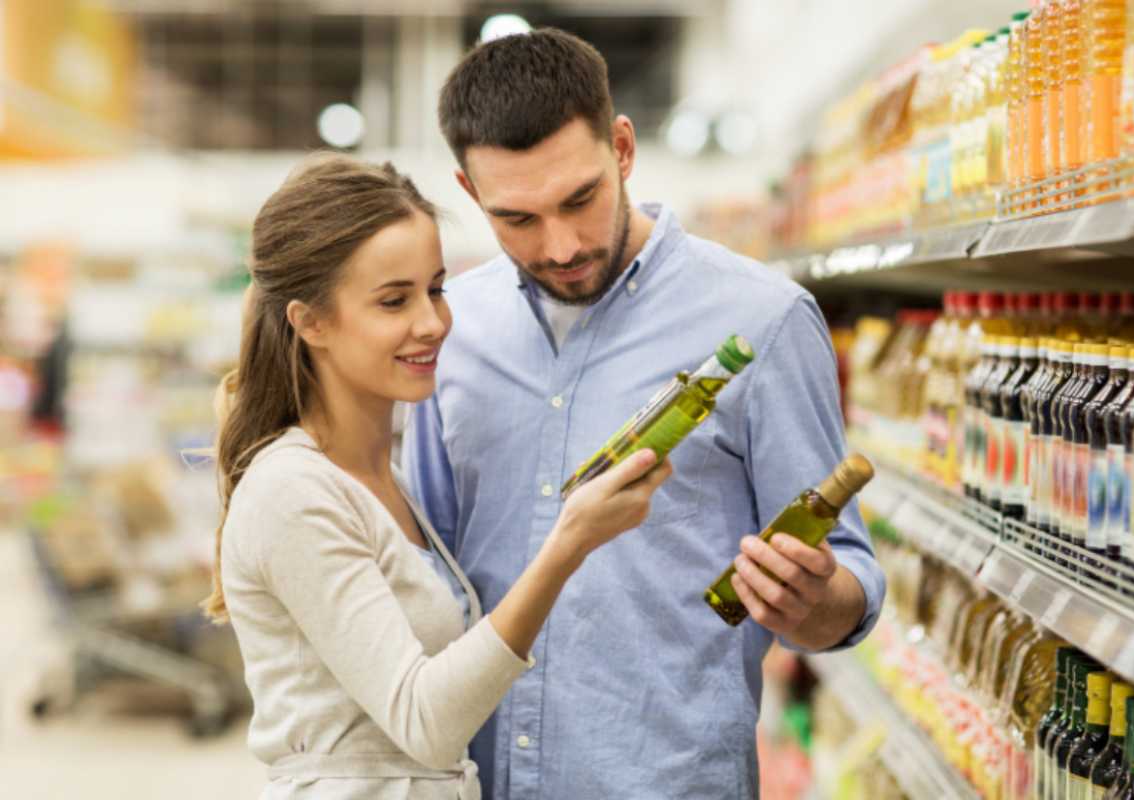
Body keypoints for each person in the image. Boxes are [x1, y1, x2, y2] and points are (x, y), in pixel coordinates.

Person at [402, 28, 888, 798]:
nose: (559, 245)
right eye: (517, 219)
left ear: (622, 149)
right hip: (474, 779)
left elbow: (850, 584)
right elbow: (421, 571)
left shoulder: (764, 322)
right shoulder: (449, 330)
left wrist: (813, 600)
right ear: (468, 194)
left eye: (579, 199)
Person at [204, 153, 672, 799]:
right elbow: (424, 721)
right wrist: (568, 546)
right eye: (394, 300)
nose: (432, 322)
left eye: (436, 288)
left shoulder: (382, 477)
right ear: (310, 321)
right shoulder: (292, 491)